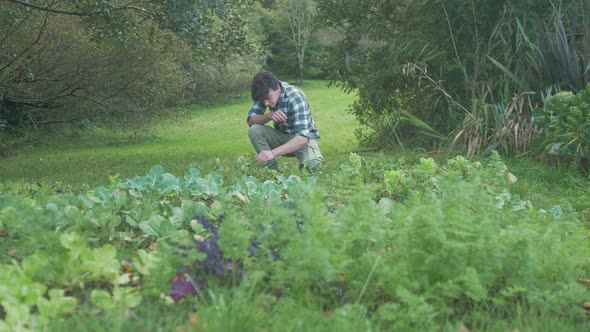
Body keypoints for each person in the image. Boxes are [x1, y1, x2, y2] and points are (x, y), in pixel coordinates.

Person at [246, 70, 323, 172]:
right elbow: (250, 121)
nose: (266, 103)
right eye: (262, 100)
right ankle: (271, 172)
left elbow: (303, 138)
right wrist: (269, 115)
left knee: (312, 164)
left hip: (303, 140)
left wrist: (273, 153)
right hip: (282, 137)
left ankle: (303, 168)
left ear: (277, 88)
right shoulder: (264, 93)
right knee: (254, 130)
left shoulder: (295, 96)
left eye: (268, 98)